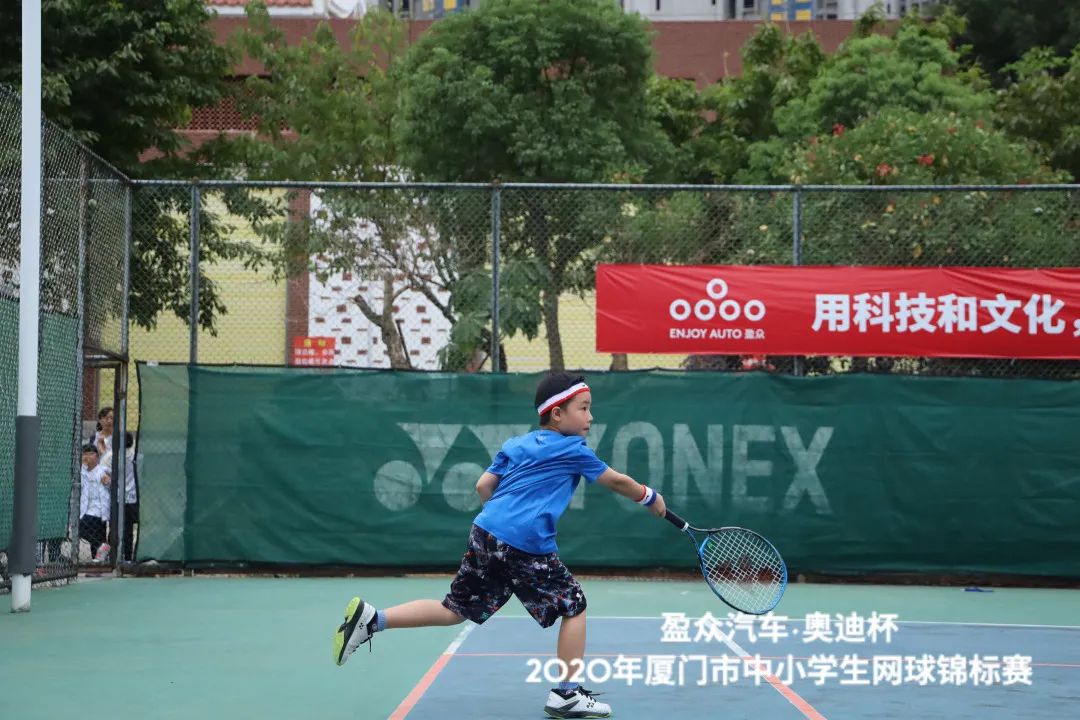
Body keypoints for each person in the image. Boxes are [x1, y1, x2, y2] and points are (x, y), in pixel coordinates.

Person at [332, 372, 666, 719]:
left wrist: (501, 525)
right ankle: (567, 695)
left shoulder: (515, 445)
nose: (590, 417)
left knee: (454, 609)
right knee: (574, 606)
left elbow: (483, 486)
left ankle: (373, 619)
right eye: (583, 408)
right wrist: (650, 497)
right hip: (525, 544)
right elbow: (616, 481)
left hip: (485, 532)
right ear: (557, 414)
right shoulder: (572, 450)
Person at [78, 443, 111, 562]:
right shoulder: (81, 471)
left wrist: (108, 482)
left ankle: (100, 558)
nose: (87, 457)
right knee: (90, 534)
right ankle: (101, 552)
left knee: (94, 533)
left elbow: (112, 486)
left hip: (98, 509)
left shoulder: (103, 471)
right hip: (85, 508)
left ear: (97, 457)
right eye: (85, 454)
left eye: (91, 454)